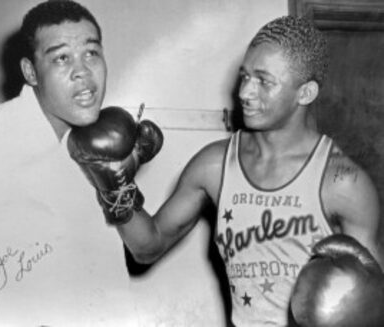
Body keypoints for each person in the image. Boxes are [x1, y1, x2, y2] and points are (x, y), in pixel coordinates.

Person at [68, 15, 383, 326]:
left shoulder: (344, 184)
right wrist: (113, 186)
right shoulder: (214, 165)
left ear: (305, 93)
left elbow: (375, 303)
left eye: (264, 80)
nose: (245, 92)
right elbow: (148, 248)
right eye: (245, 76)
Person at [0, 1, 144, 326]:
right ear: (31, 72)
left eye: (91, 53)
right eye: (61, 58)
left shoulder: (103, 137)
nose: (82, 71)